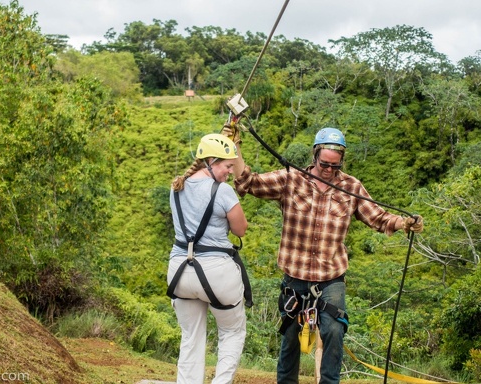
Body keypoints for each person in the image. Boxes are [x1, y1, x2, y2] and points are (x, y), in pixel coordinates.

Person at [221, 126, 424, 384]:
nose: (329, 170)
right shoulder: (290, 179)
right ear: (314, 155)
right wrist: (234, 145)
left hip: (331, 277)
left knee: (334, 332)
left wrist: (405, 223)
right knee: (290, 337)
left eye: (335, 166)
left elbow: (379, 218)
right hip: (295, 277)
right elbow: (249, 182)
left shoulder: (351, 187)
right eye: (324, 164)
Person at [166, 133, 250, 384]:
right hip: (216, 273)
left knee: (191, 337)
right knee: (232, 332)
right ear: (211, 161)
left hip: (180, 271)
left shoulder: (176, 187)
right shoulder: (222, 191)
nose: (229, 173)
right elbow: (240, 229)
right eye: (227, 166)